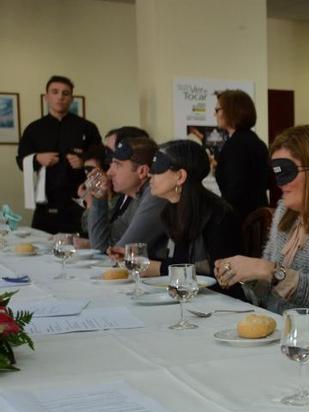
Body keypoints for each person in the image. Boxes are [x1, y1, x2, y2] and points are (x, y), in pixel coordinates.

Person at [213, 125, 309, 314]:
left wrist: (268, 270)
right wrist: (243, 273)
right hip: (277, 327)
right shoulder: (285, 212)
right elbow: (265, 293)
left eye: (287, 171)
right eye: (276, 173)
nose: (280, 183)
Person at [131, 140, 240, 280]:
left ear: (180, 176)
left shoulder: (218, 216)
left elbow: (220, 275)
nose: (149, 175)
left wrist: (153, 267)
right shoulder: (172, 209)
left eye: (158, 167)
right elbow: (181, 261)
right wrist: (138, 259)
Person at [16, 75, 102, 234]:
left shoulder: (87, 128)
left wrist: (83, 161)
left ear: (71, 98)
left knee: (81, 249)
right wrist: (37, 158)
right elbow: (21, 161)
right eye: (55, 92)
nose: (60, 97)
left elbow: (101, 157)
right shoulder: (33, 129)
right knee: (41, 247)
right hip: (46, 202)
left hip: (80, 201)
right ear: (46, 97)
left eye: (65, 93)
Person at [86, 137, 168, 257]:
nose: (109, 172)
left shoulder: (155, 196)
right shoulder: (136, 197)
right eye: (111, 164)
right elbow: (100, 248)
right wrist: (99, 198)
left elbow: (119, 253)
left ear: (142, 171)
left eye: (118, 165)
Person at [213, 89, 270, 224]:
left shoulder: (235, 145)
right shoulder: (256, 141)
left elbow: (234, 191)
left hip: (241, 221)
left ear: (231, 111)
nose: (214, 114)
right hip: (256, 217)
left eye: (217, 110)